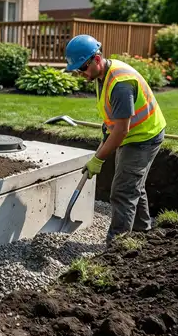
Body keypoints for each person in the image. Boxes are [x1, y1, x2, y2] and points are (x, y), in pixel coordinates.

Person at [64, 34, 166, 244]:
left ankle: (116, 246)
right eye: (77, 69)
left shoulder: (120, 84)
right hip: (133, 135)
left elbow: (121, 131)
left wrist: (98, 159)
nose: (80, 73)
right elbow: (113, 119)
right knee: (133, 184)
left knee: (122, 191)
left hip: (143, 137)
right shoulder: (102, 75)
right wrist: (105, 131)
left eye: (82, 68)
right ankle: (142, 231)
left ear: (97, 59)